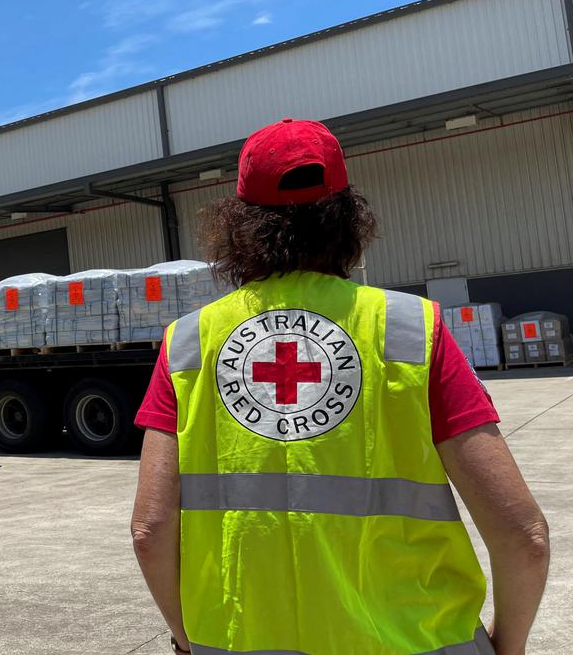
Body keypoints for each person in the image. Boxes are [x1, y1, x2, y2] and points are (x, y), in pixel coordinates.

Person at [130, 118, 549, 654]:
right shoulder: (410, 329)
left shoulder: (187, 343)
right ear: (348, 218)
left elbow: (149, 530)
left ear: (238, 225)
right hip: (414, 639)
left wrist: (190, 642)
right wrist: (505, 647)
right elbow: (523, 536)